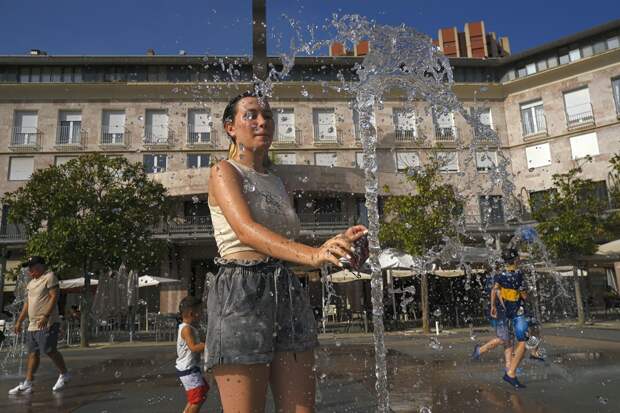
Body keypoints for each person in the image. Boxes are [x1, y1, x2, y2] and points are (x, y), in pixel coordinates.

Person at [207, 91, 367, 413]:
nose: (262, 121)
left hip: (286, 287)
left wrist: (336, 246)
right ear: (230, 127)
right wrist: (312, 254)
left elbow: (282, 239)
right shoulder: (224, 171)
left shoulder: (277, 181)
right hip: (241, 290)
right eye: (250, 115)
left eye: (267, 116)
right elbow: (246, 230)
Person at [9, 256, 70, 395]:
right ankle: (28, 383)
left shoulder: (49, 277)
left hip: (47, 322)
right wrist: (19, 321)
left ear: (41, 266)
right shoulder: (31, 284)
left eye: (33, 267)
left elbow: (54, 297)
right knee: (32, 353)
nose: (30, 270)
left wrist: (46, 315)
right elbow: (27, 304)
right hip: (32, 325)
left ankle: (64, 374)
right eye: (29, 268)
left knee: (49, 349)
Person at [492, 248, 529, 388]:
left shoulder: (499, 275)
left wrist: (496, 305)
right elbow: (524, 295)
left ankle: (511, 369)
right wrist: (526, 294)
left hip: (506, 312)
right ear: (515, 259)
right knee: (523, 342)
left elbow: (495, 289)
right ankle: (511, 373)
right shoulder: (519, 274)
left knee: (510, 341)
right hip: (518, 312)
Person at [472, 267, 512, 372]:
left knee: (507, 338)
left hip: (499, 311)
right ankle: (479, 350)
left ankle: (509, 366)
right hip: (499, 312)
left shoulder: (493, 277)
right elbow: (497, 292)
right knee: (503, 338)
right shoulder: (496, 277)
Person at [176, 296, 208, 413]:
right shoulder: (186, 329)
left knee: (202, 392)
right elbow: (193, 348)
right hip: (188, 369)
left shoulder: (189, 328)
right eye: (200, 311)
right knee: (197, 398)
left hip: (190, 368)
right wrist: (209, 344)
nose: (202, 315)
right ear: (191, 313)